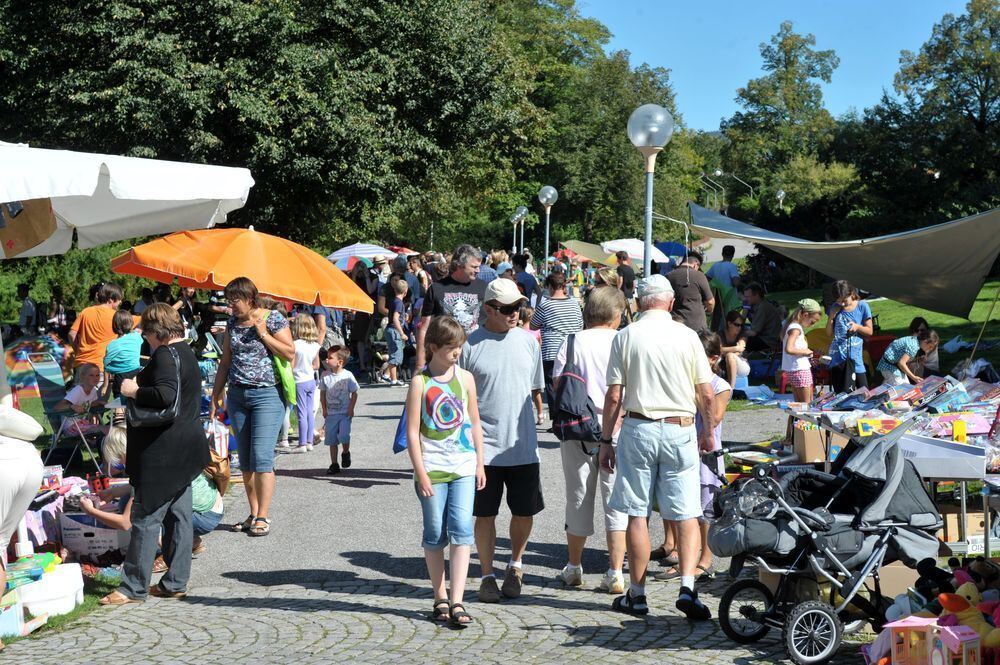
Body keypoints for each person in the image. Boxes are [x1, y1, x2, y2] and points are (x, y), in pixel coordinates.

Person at [598, 274, 715, 620]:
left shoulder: (626, 335)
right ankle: (689, 588)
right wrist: (707, 431)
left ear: (639, 302)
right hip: (679, 428)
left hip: (639, 427)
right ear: (670, 302)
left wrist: (606, 439)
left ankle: (637, 593)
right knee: (685, 512)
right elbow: (706, 392)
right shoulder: (688, 336)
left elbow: (615, 395)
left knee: (637, 512)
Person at [99, 303, 209, 605]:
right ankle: (175, 582)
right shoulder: (186, 352)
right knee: (179, 518)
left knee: (146, 518)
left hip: (163, 452)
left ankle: (132, 587)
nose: (144, 337)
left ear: (156, 330)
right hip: (185, 449)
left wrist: (133, 390)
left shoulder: (164, 355)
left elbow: (165, 396)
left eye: (146, 331)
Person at [459, 278, 544, 603]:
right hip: (483, 451)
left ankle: (516, 565)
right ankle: (487, 575)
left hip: (522, 447)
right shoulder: (470, 346)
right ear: (488, 309)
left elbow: (535, 390)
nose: (515, 313)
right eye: (507, 309)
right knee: (485, 515)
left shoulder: (527, 342)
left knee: (524, 513)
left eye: (518, 307)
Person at [405, 316, 486, 627]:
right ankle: (439, 595)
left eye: (460, 347)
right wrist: (420, 471)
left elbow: (475, 421)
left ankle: (458, 600)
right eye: (452, 348)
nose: (457, 353)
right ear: (434, 347)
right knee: (435, 532)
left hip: (463, 465)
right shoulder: (420, 383)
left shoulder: (465, 378)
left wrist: (480, 462)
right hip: (433, 468)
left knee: (462, 528)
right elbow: (413, 432)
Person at [552, 286, 628, 594]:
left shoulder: (571, 341)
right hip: (618, 429)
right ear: (615, 315)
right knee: (617, 502)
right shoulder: (623, 342)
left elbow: (559, 384)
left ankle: (574, 567)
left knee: (578, 497)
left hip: (578, 429)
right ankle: (615, 572)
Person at [210, 277, 294, 538]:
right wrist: (216, 394)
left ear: (250, 299)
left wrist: (264, 334)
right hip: (237, 396)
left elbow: (289, 353)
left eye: (234, 301)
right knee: (245, 459)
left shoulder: (273, 319)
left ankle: (263, 516)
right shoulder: (233, 323)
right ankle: (253, 511)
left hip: (267, 396)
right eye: (228, 301)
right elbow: (225, 361)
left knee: (261, 457)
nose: (230, 306)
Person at [692, 331, 730, 581]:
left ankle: (706, 558)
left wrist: (698, 393)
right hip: (688, 448)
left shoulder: (720, 386)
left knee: (706, 507)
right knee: (689, 507)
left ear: (714, 359)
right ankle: (691, 553)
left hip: (707, 451)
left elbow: (714, 418)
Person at [416, 245, 487, 368]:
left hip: (477, 357)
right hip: (445, 358)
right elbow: (424, 327)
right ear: (459, 265)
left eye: (479, 267)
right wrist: (420, 363)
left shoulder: (485, 288)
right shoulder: (436, 288)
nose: (478, 271)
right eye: (474, 267)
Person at [530, 272, 583, 405]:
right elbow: (580, 325)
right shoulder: (574, 304)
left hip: (551, 351)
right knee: (570, 384)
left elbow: (533, 325)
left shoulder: (545, 305)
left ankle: (557, 419)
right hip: (572, 350)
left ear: (550, 286)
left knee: (552, 385)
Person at [70, 282, 133, 371]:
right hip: (101, 367)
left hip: (82, 364)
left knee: (79, 385)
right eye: (119, 299)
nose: (120, 302)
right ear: (111, 299)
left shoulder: (86, 311)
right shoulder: (116, 316)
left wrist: (78, 352)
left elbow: (72, 334)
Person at [826, 280, 874, 392]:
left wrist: (857, 327)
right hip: (838, 359)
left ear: (852, 293)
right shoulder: (835, 307)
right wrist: (831, 316)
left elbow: (869, 331)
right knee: (841, 397)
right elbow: (828, 333)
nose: (842, 304)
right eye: (839, 301)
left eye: (844, 300)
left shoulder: (862, 306)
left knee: (864, 393)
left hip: (855, 359)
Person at [320, 347, 359, 474]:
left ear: (340, 362)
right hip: (331, 414)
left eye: (330, 358)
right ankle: (334, 464)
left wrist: (351, 409)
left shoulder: (348, 376)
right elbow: (322, 394)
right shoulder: (325, 375)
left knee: (344, 436)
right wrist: (324, 409)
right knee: (332, 440)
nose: (326, 359)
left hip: (344, 413)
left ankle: (346, 452)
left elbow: (354, 393)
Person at [781, 299, 823, 402]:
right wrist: (807, 352)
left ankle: (798, 419)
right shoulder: (795, 328)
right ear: (805, 315)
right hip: (800, 370)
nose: (812, 325)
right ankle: (803, 419)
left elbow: (795, 349)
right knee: (807, 405)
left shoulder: (792, 326)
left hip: (794, 369)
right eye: (812, 321)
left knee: (799, 406)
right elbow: (789, 349)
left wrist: (810, 355)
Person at [291, 315, 321, 453]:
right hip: (311, 380)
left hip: (299, 380)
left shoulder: (295, 345)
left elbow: (291, 366)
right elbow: (317, 365)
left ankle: (302, 443)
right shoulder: (315, 345)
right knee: (310, 412)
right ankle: (309, 441)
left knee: (301, 413)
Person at [666, 252, 715, 333]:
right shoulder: (699, 276)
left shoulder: (668, 276)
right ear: (695, 264)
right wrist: (709, 310)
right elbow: (710, 302)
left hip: (675, 324)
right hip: (696, 326)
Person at [103, 309, 144, 399]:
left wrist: (105, 385)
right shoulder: (137, 337)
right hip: (136, 375)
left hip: (120, 378)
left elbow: (106, 365)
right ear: (131, 322)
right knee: (134, 403)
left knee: (120, 405)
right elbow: (139, 330)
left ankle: (119, 414)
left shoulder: (112, 345)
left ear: (114, 325)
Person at [55, 363, 105, 427]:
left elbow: (87, 404)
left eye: (97, 375)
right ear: (82, 376)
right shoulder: (78, 391)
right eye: (91, 375)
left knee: (108, 429)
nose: (95, 378)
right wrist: (72, 406)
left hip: (83, 424)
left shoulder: (93, 390)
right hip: (71, 426)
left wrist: (99, 403)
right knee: (106, 430)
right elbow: (57, 407)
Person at [741, 282, 783, 353]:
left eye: (748, 297)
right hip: (767, 338)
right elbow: (741, 322)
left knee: (740, 340)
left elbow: (753, 332)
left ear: (756, 295)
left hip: (769, 341)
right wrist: (746, 308)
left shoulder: (762, 307)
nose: (745, 299)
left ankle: (737, 359)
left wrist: (736, 333)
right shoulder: (759, 305)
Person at [384, 279, 409, 386]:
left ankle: (387, 375)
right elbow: (395, 318)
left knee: (394, 353)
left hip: (390, 329)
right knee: (396, 355)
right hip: (394, 330)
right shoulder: (399, 303)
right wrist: (402, 333)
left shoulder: (394, 301)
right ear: (406, 291)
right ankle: (393, 380)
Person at [719, 310, 751, 387]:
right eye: (737, 325)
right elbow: (718, 350)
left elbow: (741, 349)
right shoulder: (720, 334)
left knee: (730, 356)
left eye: (741, 325)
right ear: (729, 323)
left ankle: (731, 388)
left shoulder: (743, 334)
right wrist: (735, 348)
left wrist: (726, 352)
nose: (739, 327)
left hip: (742, 365)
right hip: (724, 365)